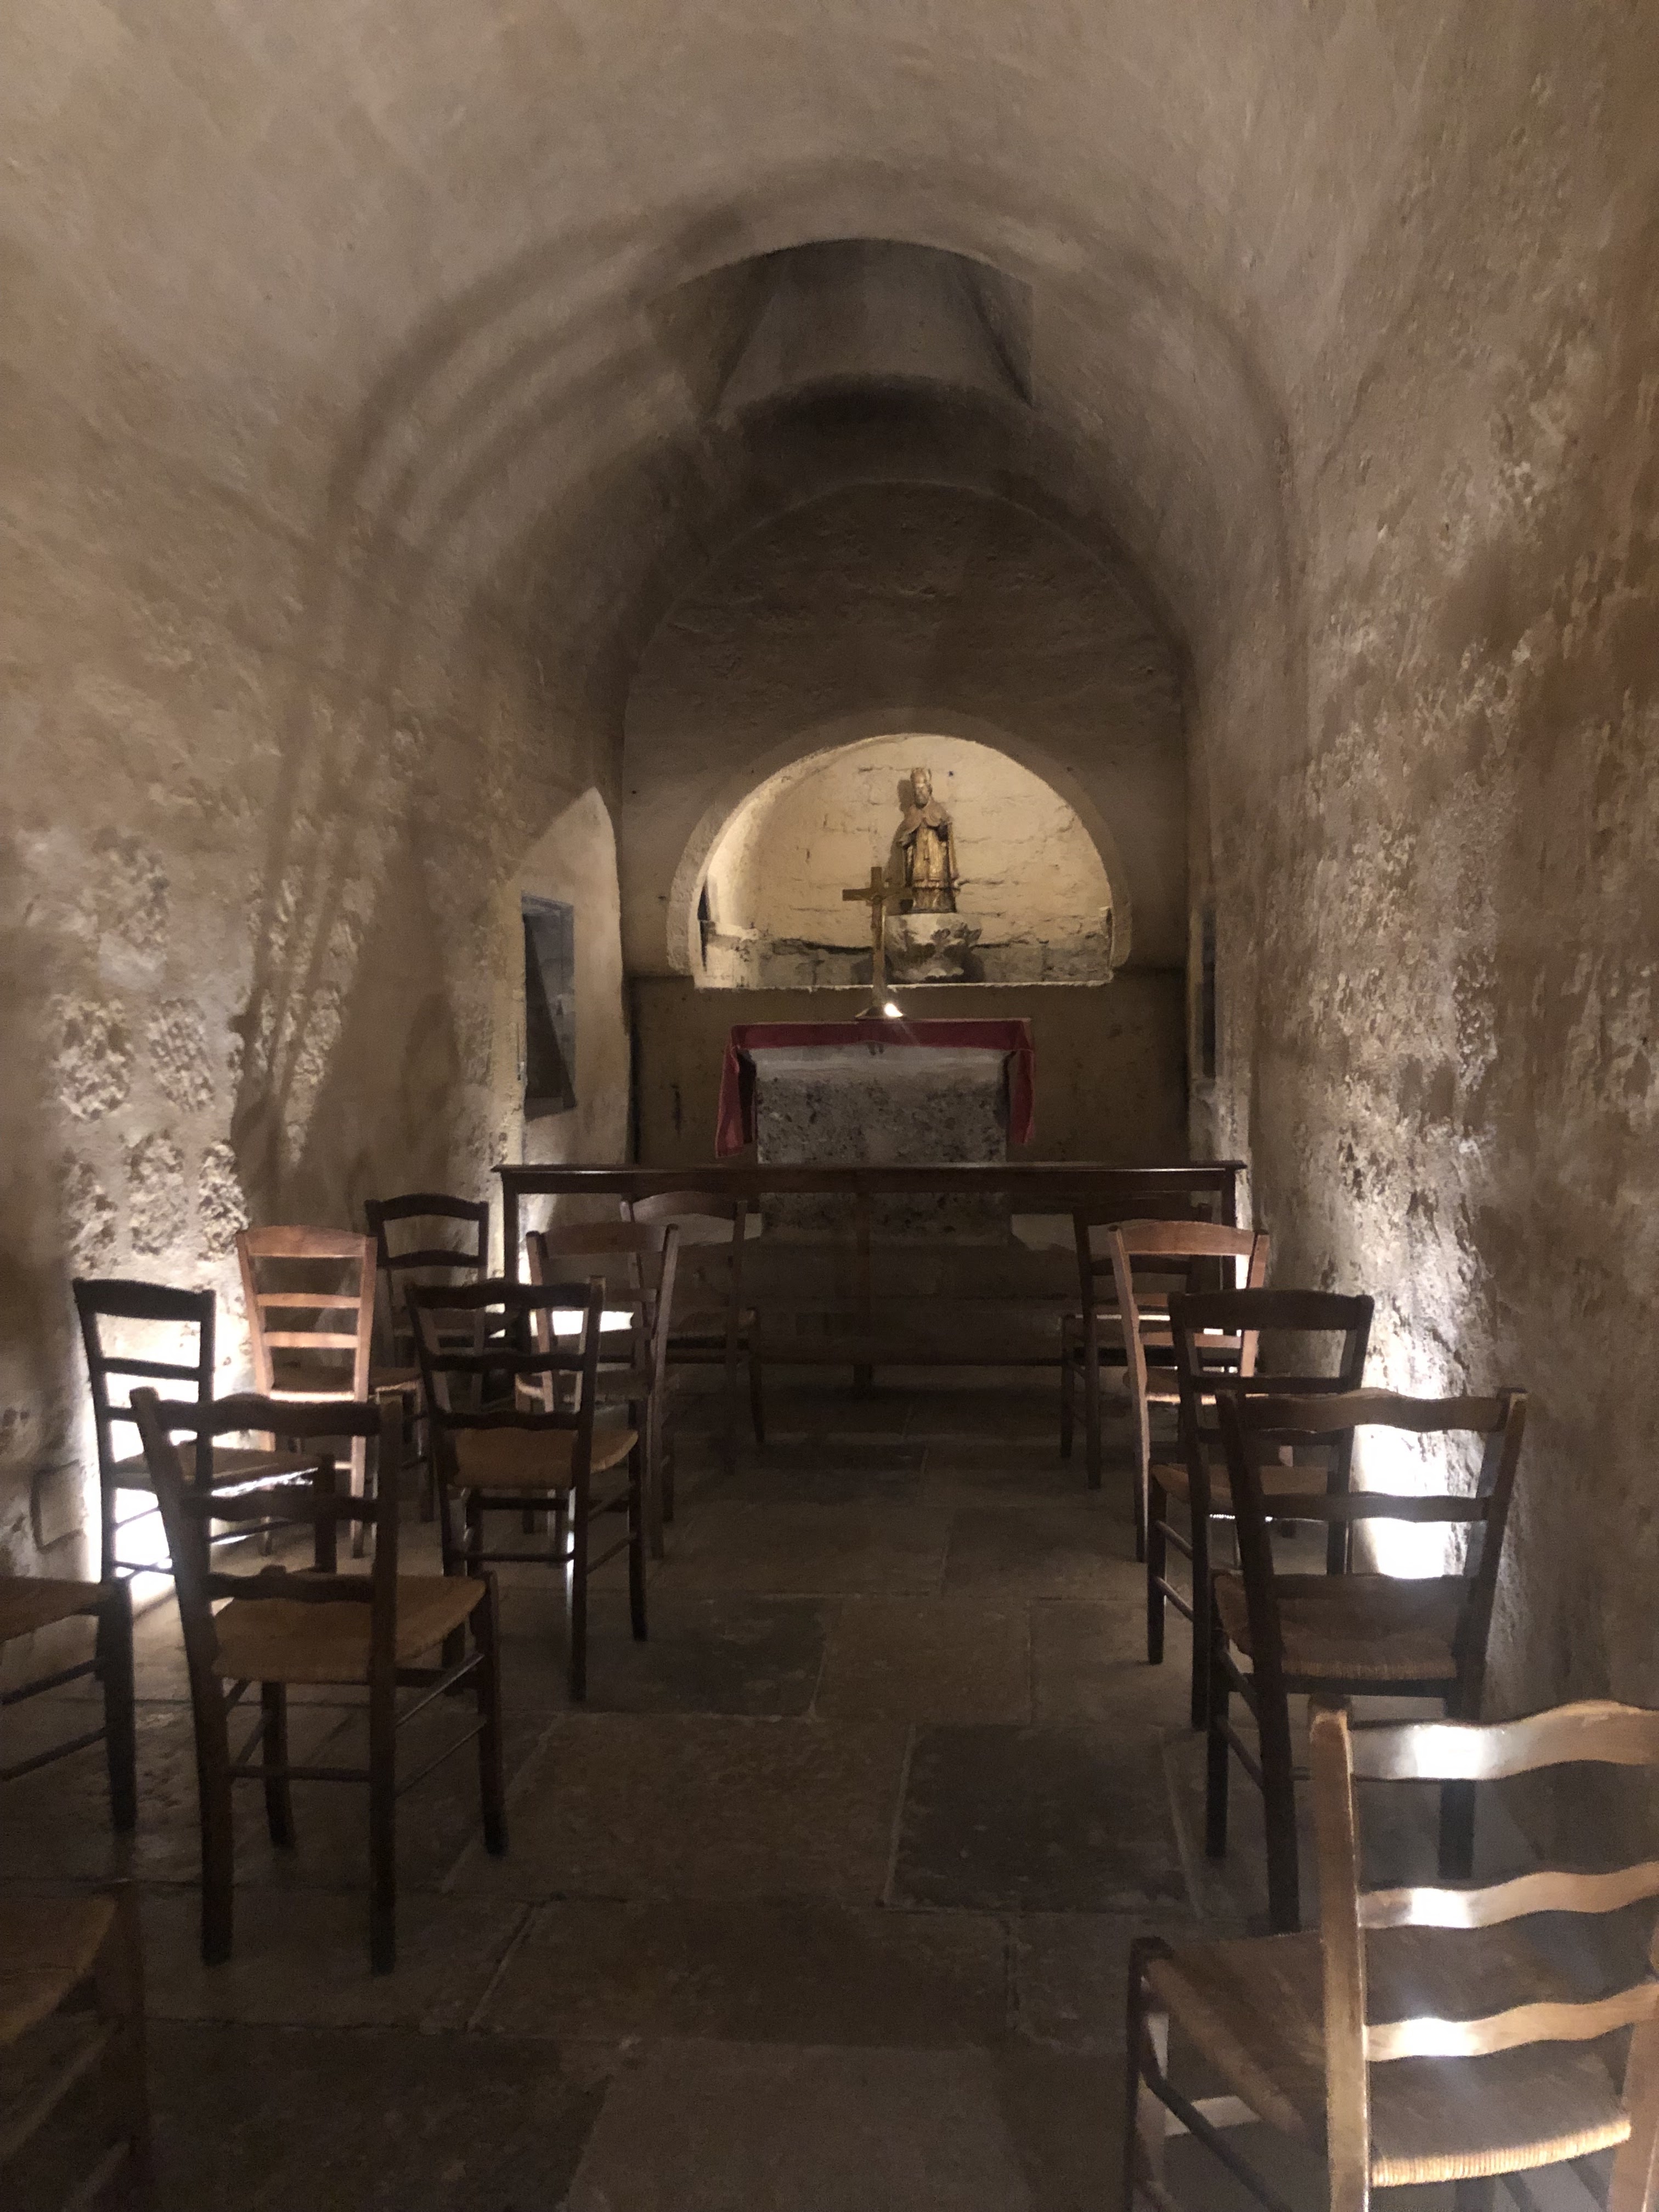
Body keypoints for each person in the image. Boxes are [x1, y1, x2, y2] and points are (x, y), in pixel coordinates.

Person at [895, 765, 959, 912]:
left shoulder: (938, 809)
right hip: (919, 852)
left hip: (935, 851)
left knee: (936, 879)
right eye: (916, 790)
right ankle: (919, 903)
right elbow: (909, 832)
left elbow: (946, 836)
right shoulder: (912, 812)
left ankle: (940, 903)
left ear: (929, 789)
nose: (919, 793)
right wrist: (907, 840)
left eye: (922, 789)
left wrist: (942, 828)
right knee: (919, 879)